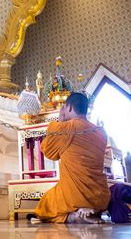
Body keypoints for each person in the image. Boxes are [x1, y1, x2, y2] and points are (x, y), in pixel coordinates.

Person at [34, 92, 111, 224]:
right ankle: (92, 211)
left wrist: (59, 121)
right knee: (64, 193)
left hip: (75, 196)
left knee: (46, 203)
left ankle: (73, 216)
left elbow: (47, 151)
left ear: (68, 108)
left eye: (64, 107)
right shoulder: (101, 132)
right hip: (100, 196)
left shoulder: (65, 127)